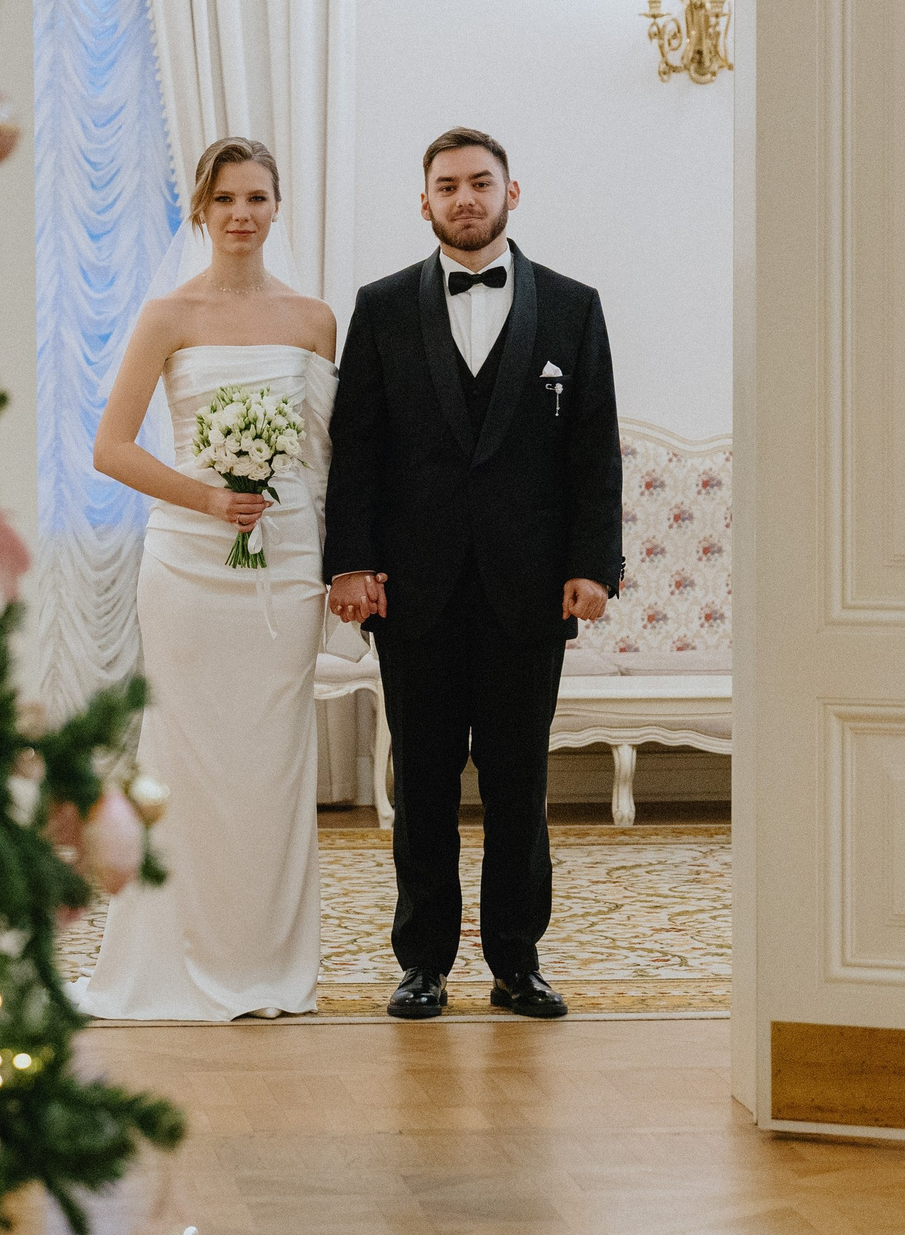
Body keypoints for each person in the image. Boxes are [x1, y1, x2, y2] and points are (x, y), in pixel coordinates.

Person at [324, 127, 622, 1021]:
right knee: (419, 785)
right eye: (447, 185)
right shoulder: (379, 308)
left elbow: (593, 450)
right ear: (424, 202)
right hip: (411, 592)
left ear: (511, 193)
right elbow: (358, 451)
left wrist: (593, 565)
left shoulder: (573, 306)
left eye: (479, 183)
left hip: (529, 590)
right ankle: (423, 963)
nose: (464, 198)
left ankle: (517, 962)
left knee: (518, 785)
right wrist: (351, 562)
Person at [75, 137, 339, 1020]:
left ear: (275, 209)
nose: (241, 215)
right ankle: (172, 959)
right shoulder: (167, 316)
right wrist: (209, 497)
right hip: (189, 566)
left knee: (272, 760)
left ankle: (268, 962)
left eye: (258, 198)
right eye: (225, 199)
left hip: (289, 562)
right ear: (200, 209)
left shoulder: (313, 320)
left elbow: (327, 453)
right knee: (185, 755)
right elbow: (110, 448)